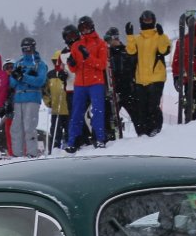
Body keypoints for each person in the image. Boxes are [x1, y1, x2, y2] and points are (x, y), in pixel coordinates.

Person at [64, 16, 110, 151]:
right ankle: (73, 141)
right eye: (82, 28)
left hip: (96, 82)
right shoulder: (76, 45)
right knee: (76, 113)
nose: (85, 30)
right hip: (80, 84)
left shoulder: (100, 43)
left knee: (97, 111)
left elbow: (102, 65)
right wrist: (71, 63)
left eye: (87, 27)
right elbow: (74, 69)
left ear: (92, 27)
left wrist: (88, 57)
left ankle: (99, 139)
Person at [125, 10, 171, 135]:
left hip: (156, 76)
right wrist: (129, 36)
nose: (147, 22)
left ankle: (156, 128)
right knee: (142, 106)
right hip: (141, 78)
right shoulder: (137, 38)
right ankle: (144, 131)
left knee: (153, 104)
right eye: (145, 20)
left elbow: (164, 50)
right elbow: (131, 51)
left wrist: (161, 35)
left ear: (153, 21)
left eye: (149, 20)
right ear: (141, 21)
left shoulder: (159, 36)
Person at [9, 37, 48, 158]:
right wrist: (16, 76)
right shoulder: (18, 63)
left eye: (28, 48)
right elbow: (12, 83)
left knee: (29, 127)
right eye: (24, 48)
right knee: (16, 128)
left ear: (33, 48)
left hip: (32, 97)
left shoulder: (39, 64)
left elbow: (40, 81)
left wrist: (24, 77)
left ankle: (32, 153)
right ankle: (17, 154)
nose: (26, 51)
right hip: (18, 98)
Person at [105, 28, 136, 137]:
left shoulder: (126, 51)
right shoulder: (107, 53)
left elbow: (133, 68)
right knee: (110, 116)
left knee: (136, 114)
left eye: (109, 39)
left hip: (127, 89)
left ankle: (143, 134)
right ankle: (111, 137)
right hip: (113, 89)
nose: (108, 42)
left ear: (115, 38)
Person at [43, 57, 71, 150]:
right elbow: (45, 91)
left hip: (68, 108)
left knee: (69, 130)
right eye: (55, 61)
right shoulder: (50, 75)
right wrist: (48, 102)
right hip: (55, 109)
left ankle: (69, 146)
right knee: (55, 131)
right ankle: (54, 148)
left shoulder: (69, 73)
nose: (57, 63)